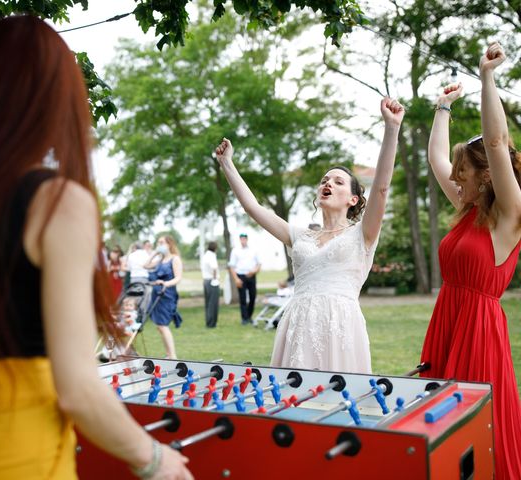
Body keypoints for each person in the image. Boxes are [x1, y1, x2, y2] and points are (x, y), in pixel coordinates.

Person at [0, 16, 191, 480]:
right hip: (17, 458)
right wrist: (157, 460)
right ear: (58, 96)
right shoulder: (58, 201)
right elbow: (76, 387)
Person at [215, 96, 404, 372]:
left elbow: (381, 188)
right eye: (325, 180)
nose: (328, 183)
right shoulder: (299, 235)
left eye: (338, 182)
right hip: (298, 322)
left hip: (340, 324)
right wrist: (227, 164)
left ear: (353, 199)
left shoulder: (363, 233)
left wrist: (392, 128)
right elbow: (253, 207)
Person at [421, 42, 521, 478]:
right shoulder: (468, 208)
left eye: (463, 172)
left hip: (479, 334)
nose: (454, 178)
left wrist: (487, 78)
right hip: (448, 321)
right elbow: (435, 158)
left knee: (472, 435)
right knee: (441, 434)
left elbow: (497, 141)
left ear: (485, 176)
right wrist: (442, 107)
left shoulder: (510, 217)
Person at [146, 236, 183, 359]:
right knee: (159, 326)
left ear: (169, 244)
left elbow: (178, 277)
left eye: (162, 242)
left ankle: (173, 356)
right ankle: (168, 354)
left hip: (167, 294)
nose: (159, 244)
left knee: (163, 325)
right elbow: (146, 265)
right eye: (158, 242)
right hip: (156, 294)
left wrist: (165, 283)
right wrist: (154, 253)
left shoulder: (175, 259)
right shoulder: (160, 259)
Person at [228, 233, 261, 325]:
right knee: (242, 298)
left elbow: (259, 264)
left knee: (252, 296)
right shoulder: (235, 251)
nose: (243, 240)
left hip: (251, 275)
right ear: (240, 240)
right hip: (240, 276)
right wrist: (236, 279)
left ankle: (249, 316)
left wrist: (254, 271)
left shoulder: (253, 250)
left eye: (244, 239)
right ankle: (244, 318)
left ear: (247, 239)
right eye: (241, 239)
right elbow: (231, 266)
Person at [201, 241, 220, 328]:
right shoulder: (212, 256)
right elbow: (214, 268)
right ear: (215, 248)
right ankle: (212, 323)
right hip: (212, 281)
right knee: (213, 303)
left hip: (205, 280)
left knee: (208, 303)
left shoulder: (205, 255)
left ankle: (208, 322)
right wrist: (215, 278)